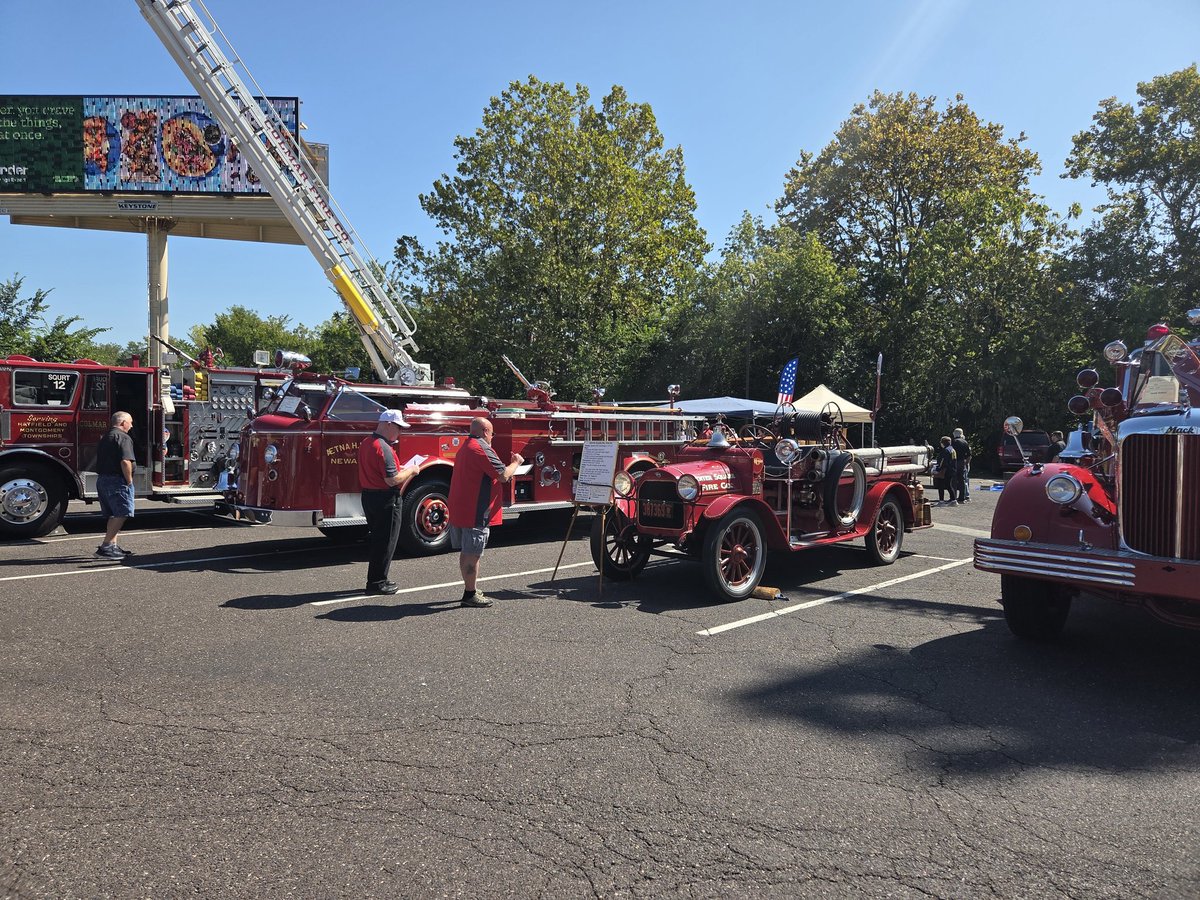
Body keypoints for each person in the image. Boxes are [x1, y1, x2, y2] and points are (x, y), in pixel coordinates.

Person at [447, 416, 524, 608]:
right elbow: (503, 475)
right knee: (473, 554)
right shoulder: (481, 448)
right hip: (475, 511)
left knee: (466, 553)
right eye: (492, 433)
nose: (492, 437)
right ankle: (470, 594)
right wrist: (516, 462)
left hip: (461, 508)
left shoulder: (466, 447)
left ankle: (469, 588)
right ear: (485, 432)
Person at [358, 409, 420, 595]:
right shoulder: (383, 447)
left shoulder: (366, 443)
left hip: (369, 496)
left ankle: (376, 579)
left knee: (379, 539)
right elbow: (392, 479)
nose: (400, 432)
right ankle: (377, 582)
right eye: (399, 427)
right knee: (385, 542)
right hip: (386, 499)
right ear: (388, 425)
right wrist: (413, 470)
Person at [95, 411, 136, 559]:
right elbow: (125, 461)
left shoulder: (106, 436)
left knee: (113, 514)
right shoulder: (123, 437)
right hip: (117, 480)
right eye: (130, 422)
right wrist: (129, 480)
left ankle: (112, 545)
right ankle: (106, 546)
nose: (131, 426)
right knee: (122, 513)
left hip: (103, 479)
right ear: (123, 423)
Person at [932, 435, 957, 505]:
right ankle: (953, 500)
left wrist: (938, 469)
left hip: (945, 470)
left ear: (944, 442)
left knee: (940, 485)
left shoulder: (945, 450)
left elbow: (943, 461)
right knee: (948, 485)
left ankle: (941, 501)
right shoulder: (952, 449)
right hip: (952, 469)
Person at [951, 427, 972, 504]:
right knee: (962, 480)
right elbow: (969, 455)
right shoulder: (965, 442)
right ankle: (962, 497)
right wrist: (966, 463)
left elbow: (951, 453)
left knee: (953, 480)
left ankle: (953, 497)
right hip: (962, 462)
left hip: (955, 462)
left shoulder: (954, 442)